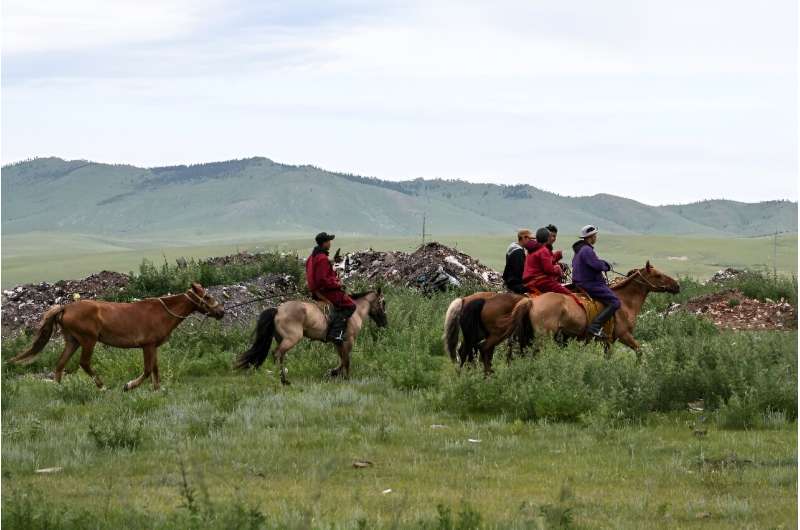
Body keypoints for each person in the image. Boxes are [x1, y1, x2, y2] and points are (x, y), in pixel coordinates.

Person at [305, 232, 356, 344]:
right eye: (329, 241)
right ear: (324, 243)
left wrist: (331, 263)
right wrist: (338, 284)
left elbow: (319, 272)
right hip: (324, 291)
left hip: (316, 290)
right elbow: (323, 280)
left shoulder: (312, 256)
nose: (330, 243)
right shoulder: (322, 258)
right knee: (351, 306)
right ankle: (336, 333)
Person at [571, 225, 620, 338]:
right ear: (591, 237)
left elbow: (592, 263)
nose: (596, 238)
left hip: (580, 282)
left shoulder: (579, 251)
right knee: (615, 302)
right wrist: (606, 266)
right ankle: (595, 326)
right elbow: (596, 265)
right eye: (595, 236)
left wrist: (601, 262)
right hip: (589, 283)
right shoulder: (587, 250)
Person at [522, 228, 575, 297]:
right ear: (547, 238)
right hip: (541, 282)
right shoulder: (543, 250)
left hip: (528, 283)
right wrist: (557, 269)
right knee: (570, 295)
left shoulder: (531, 250)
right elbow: (548, 269)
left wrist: (555, 257)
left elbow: (541, 264)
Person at [503, 229, 533, 294]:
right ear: (523, 238)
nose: (531, 241)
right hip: (515, 284)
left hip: (511, 281)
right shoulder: (518, 252)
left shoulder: (513, 248)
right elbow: (520, 271)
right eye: (529, 239)